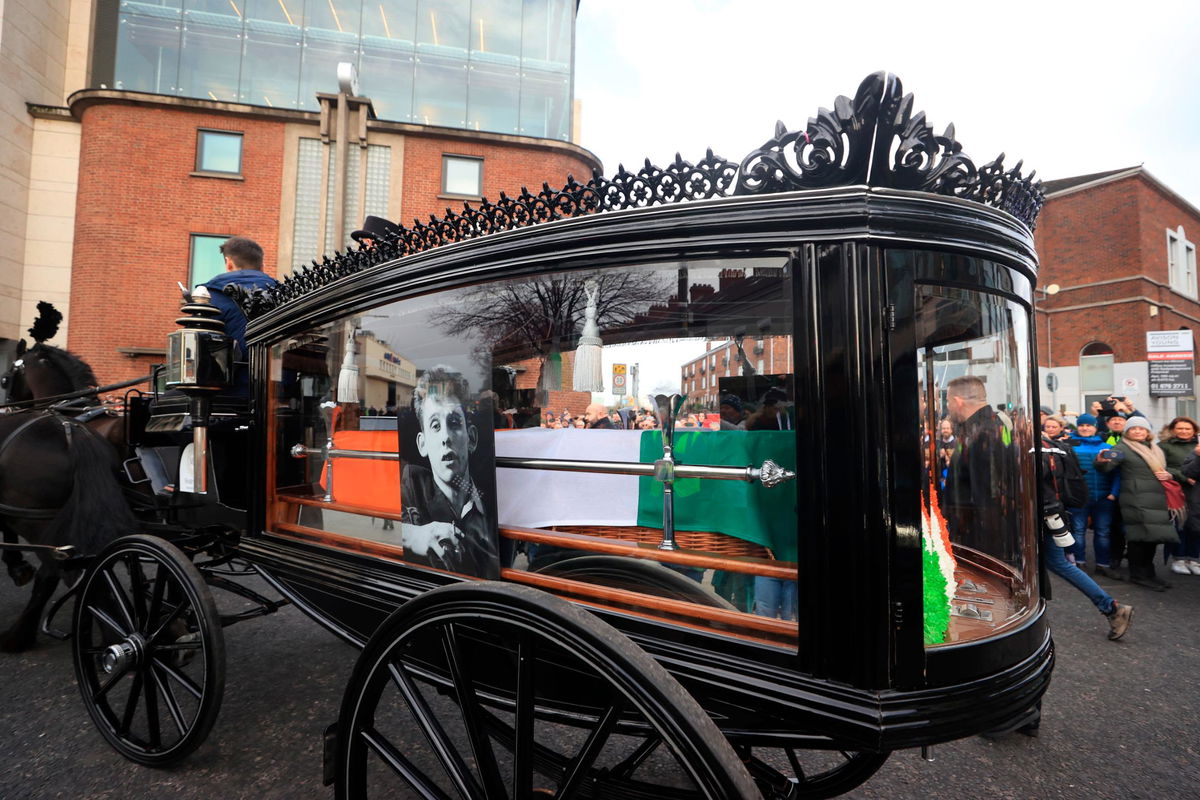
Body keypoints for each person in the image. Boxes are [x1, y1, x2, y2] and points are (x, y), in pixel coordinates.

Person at [400, 367, 498, 578]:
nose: (445, 436)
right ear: (422, 443)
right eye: (435, 425)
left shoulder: (489, 504)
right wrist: (412, 535)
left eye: (454, 423)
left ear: (471, 438)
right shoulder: (411, 482)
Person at [1040, 426, 1134, 640]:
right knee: (1058, 564)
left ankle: (1111, 607)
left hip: (1038, 517)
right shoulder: (1054, 447)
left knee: (1044, 564)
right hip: (1054, 514)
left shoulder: (1032, 450)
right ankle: (1111, 607)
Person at [1097, 416, 1179, 591]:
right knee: (1139, 537)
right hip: (1135, 498)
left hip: (1156, 498)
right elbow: (1106, 467)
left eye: (1141, 429)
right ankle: (1138, 574)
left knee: (1153, 538)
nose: (1137, 431)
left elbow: (1164, 469)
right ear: (1127, 432)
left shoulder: (1154, 448)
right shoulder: (1122, 447)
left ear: (1147, 432)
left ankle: (1150, 573)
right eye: (1133, 429)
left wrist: (1170, 474)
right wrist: (1101, 461)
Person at [200, 236, 277, 354]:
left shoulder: (211, 295)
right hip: (275, 370)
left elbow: (200, 342)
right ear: (262, 267)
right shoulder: (281, 291)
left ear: (229, 263)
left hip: (231, 371)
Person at [1067, 414, 1120, 577]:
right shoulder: (1069, 446)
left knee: (1103, 532)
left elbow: (1117, 472)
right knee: (1078, 531)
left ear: (1095, 428)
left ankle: (1102, 564)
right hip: (1079, 498)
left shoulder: (1108, 447)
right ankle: (1079, 564)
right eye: (1081, 425)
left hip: (1104, 497)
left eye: (1088, 425)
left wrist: (1114, 493)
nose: (1085, 428)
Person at [1158, 416, 1200, 576]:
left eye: (1187, 428)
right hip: (1175, 489)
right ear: (1173, 430)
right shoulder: (1164, 446)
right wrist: (1184, 477)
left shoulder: (1198, 445)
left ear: (1194, 431)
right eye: (1180, 428)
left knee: (1196, 526)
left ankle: (1194, 558)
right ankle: (1179, 558)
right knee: (1179, 525)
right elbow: (1162, 465)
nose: (1183, 431)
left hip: (1196, 489)